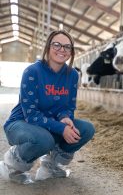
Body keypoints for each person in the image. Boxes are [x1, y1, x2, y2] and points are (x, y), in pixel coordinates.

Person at [0, 30, 95, 184]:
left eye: (67, 47)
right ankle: (13, 164)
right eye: (56, 45)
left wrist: (65, 118)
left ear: (71, 52)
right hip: (22, 123)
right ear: (48, 47)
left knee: (86, 129)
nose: (61, 49)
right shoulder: (32, 72)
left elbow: (69, 106)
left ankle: (50, 166)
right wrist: (61, 128)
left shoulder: (72, 75)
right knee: (44, 140)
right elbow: (31, 114)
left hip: (49, 124)